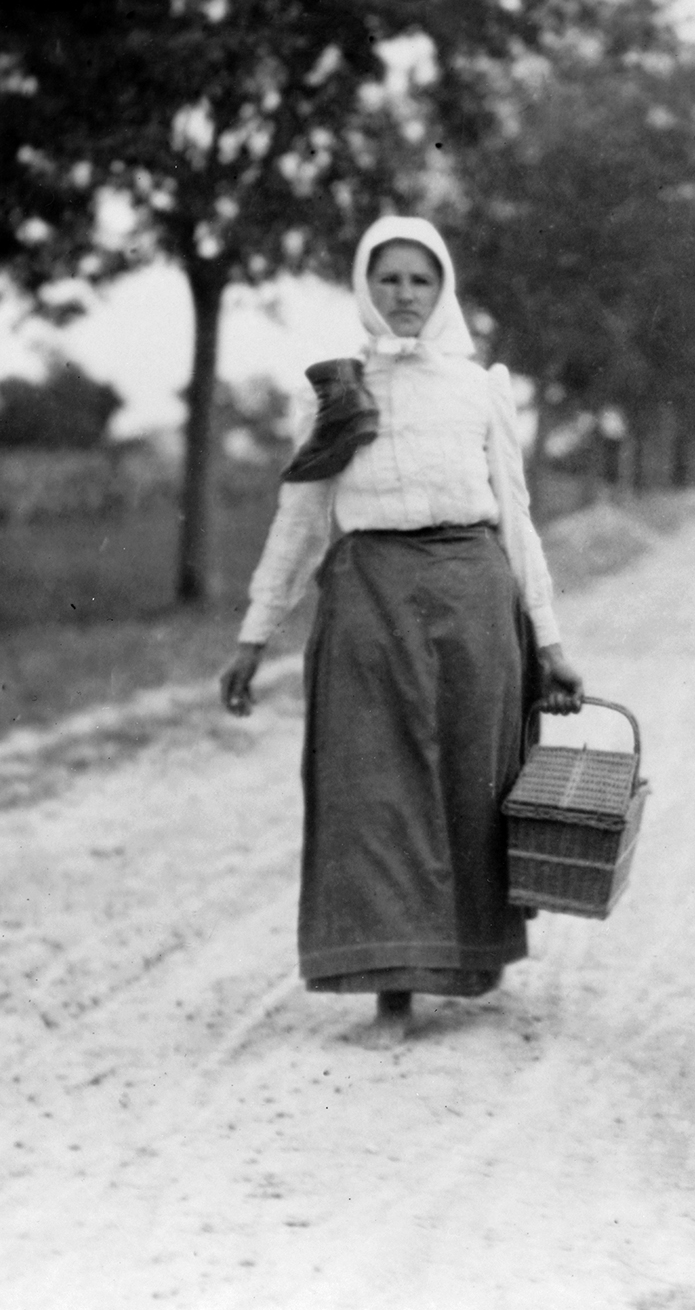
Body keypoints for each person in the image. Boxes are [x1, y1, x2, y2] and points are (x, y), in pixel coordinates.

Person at [219, 216, 584, 1046]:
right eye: (388, 279)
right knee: (372, 790)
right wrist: (254, 634)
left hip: (470, 597)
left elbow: (516, 517)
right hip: (368, 601)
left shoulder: (479, 387)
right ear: (364, 287)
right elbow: (299, 519)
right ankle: (391, 990)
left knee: (468, 786)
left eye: (421, 279)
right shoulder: (338, 393)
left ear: (443, 287)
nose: (405, 294)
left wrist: (551, 642)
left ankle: (463, 960)